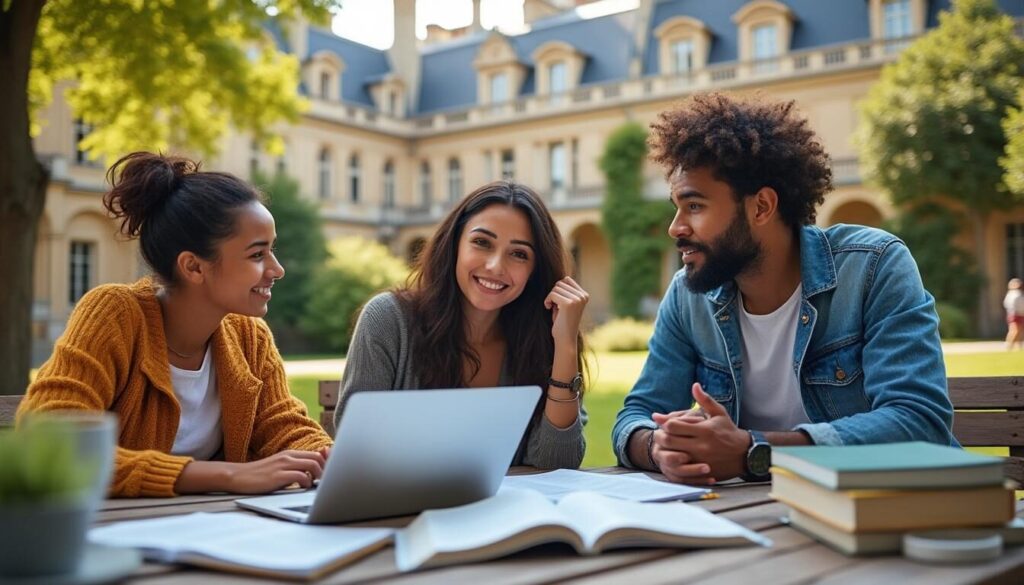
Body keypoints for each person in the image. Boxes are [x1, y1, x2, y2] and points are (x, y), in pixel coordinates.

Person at [611, 93, 956, 485]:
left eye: (694, 206)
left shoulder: (873, 265)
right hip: (761, 519)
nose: (676, 228)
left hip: (893, 509)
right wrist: (659, 446)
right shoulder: (689, 296)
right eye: (677, 207)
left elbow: (918, 421)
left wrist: (754, 453)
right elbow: (636, 416)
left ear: (761, 207)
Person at [18, 152, 332, 497]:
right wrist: (226, 476)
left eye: (271, 251)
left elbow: (283, 425)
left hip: (216, 530)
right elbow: (51, 442)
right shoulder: (115, 315)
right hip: (113, 534)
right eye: (257, 255)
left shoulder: (249, 336)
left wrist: (328, 457)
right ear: (194, 267)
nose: (277, 269)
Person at [334, 181, 588, 469]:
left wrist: (565, 346)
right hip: (402, 513)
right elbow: (357, 455)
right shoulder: (387, 320)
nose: (495, 266)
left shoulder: (545, 339)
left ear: (535, 270)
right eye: (482, 243)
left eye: (519, 254)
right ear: (454, 244)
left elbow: (557, 462)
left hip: (506, 513)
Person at [1005, 278, 1023, 350]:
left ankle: (1019, 346)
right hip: (1015, 314)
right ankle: (1009, 346)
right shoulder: (1013, 294)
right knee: (1014, 330)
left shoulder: (1019, 293)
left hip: (1020, 314)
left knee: (1020, 331)